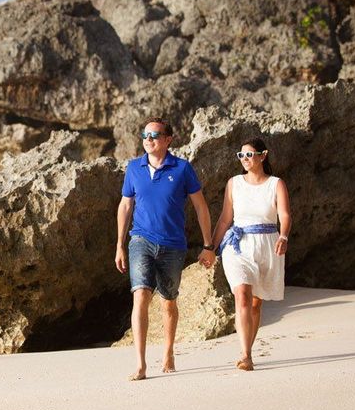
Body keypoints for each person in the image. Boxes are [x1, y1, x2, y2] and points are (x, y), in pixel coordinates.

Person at [115, 118, 215, 381]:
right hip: (140, 240)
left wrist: (208, 245)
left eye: (155, 135)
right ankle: (140, 364)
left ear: (168, 139)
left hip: (173, 244)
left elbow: (201, 207)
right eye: (145, 135)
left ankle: (168, 351)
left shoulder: (182, 169)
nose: (148, 140)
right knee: (140, 296)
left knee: (168, 301)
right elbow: (125, 206)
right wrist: (119, 245)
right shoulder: (133, 168)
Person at [211, 138, 292, 371]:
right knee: (243, 295)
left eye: (249, 155)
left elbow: (285, 215)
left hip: (267, 244)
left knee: (256, 304)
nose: (245, 159)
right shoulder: (233, 183)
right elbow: (225, 219)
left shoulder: (276, 184)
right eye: (241, 155)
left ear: (263, 156)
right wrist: (211, 248)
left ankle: (248, 348)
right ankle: (246, 355)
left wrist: (284, 236)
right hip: (238, 245)